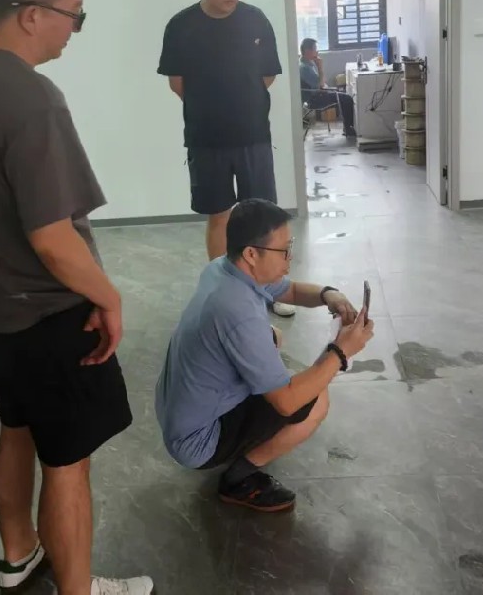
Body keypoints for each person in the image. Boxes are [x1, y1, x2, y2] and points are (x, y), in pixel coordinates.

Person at [0, 0, 153, 595]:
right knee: (68, 462)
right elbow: (54, 240)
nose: (75, 29)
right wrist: (109, 296)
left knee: (17, 429)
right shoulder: (31, 97)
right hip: (50, 315)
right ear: (32, 13)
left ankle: (18, 559)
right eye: (73, 14)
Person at [154, 199, 375, 511]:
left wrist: (329, 295)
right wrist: (341, 351)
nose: (290, 257)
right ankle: (238, 480)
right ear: (251, 254)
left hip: (177, 414)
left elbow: (291, 290)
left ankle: (242, 439)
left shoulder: (222, 269)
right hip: (198, 440)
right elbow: (287, 402)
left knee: (274, 337)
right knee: (314, 400)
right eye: (284, 250)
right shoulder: (238, 312)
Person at [157, 0, 296, 317]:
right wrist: (212, 107)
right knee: (218, 215)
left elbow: (267, 75)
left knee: (262, 217)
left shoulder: (255, 21)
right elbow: (177, 83)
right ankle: (223, 295)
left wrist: (241, 105)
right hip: (206, 138)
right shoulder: (181, 26)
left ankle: (268, 290)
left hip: (253, 135)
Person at [298, 38, 356, 138]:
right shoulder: (304, 68)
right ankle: (348, 129)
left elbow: (322, 82)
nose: (317, 51)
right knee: (347, 99)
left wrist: (324, 84)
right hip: (315, 99)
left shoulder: (307, 63)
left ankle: (347, 128)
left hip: (318, 94)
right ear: (308, 51)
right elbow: (320, 84)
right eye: (315, 49)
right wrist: (320, 67)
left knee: (343, 96)